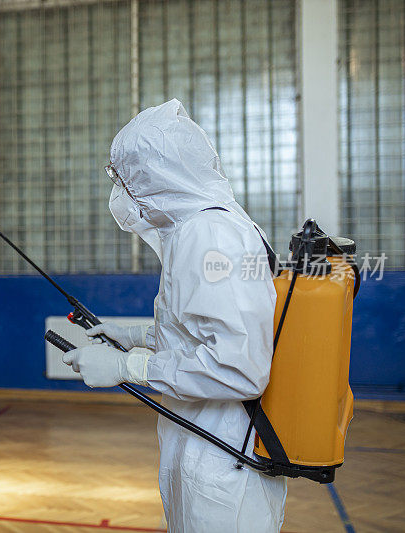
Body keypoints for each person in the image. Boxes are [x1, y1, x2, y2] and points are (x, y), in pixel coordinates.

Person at [62, 99, 286, 532]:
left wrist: (128, 366)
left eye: (125, 179)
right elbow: (201, 333)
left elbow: (240, 369)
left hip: (224, 462)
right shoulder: (196, 231)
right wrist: (136, 336)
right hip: (208, 448)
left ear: (155, 176)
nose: (121, 193)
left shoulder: (210, 234)